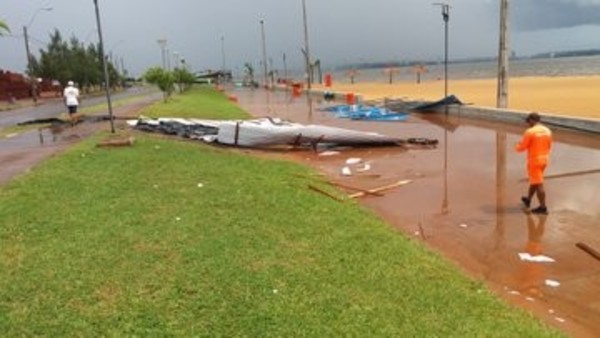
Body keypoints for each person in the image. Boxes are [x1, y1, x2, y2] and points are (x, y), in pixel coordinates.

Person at [515, 112, 553, 214]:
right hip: (544, 159)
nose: (528, 123)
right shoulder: (547, 130)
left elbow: (522, 147)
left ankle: (543, 207)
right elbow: (549, 145)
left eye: (528, 121)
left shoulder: (530, 132)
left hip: (534, 161)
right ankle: (528, 199)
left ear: (532, 120)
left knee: (539, 184)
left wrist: (516, 146)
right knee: (535, 181)